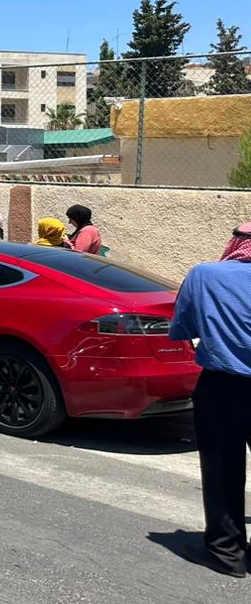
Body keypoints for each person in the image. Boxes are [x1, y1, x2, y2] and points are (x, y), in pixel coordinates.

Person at [168, 223, 251, 578]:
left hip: (223, 387)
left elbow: (182, 329)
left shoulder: (204, 275)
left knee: (221, 470)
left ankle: (226, 552)